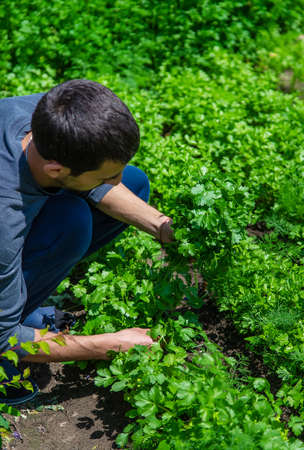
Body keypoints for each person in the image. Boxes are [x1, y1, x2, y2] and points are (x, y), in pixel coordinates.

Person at [0, 79, 173, 404]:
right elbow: (0, 339)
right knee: (72, 222)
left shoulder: (49, 112)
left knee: (135, 185)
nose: (115, 181)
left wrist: (163, 227)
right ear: (55, 169)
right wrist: (105, 344)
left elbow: (107, 183)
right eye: (107, 177)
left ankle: (19, 307)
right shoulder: (3, 218)